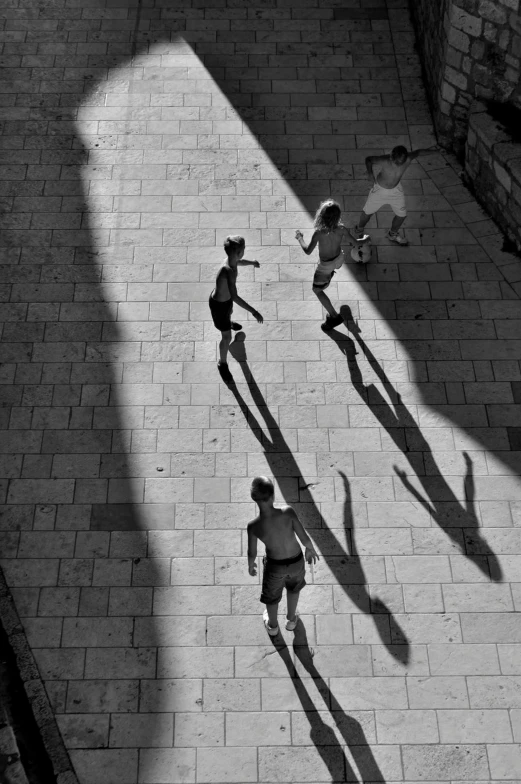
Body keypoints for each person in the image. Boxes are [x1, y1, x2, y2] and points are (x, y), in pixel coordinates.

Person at [247, 476, 320, 637]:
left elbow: (251, 552)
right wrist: (310, 549)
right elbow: (303, 536)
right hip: (296, 561)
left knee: (272, 598)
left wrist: (251, 564)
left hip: (275, 566)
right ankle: (291, 620)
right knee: (294, 590)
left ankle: (273, 626)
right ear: (273, 496)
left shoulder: (253, 526)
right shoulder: (288, 512)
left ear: (254, 499)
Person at [352, 144, 440, 246]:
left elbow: (419, 152)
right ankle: (359, 229)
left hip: (396, 191)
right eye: (395, 163)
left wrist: (435, 151)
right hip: (379, 191)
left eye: (400, 164)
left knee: (401, 215)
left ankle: (392, 234)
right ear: (391, 156)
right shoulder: (384, 160)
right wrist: (370, 173)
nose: (398, 165)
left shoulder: (408, 158)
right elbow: (369, 160)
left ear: (406, 158)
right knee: (367, 212)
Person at [295, 199, 357, 333]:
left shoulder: (319, 233)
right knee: (332, 268)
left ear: (321, 216)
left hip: (326, 266)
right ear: (338, 216)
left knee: (317, 290)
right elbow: (355, 243)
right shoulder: (342, 229)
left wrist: (300, 238)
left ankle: (334, 316)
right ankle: (329, 275)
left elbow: (307, 251)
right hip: (339, 259)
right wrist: (365, 240)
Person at [209, 235, 263, 381]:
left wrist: (252, 263)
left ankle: (229, 323)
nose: (244, 251)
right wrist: (254, 311)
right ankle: (222, 363)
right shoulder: (228, 271)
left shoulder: (232, 261)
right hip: (219, 306)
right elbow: (235, 297)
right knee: (226, 337)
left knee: (230, 313)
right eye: (244, 249)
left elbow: (240, 262)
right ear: (238, 252)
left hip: (225, 303)